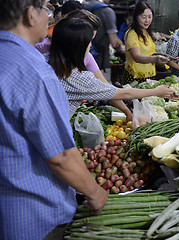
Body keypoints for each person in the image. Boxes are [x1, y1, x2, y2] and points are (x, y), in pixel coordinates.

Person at [0, 1, 108, 239]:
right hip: (33, 215)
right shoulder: (34, 72)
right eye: (46, 11)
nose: (49, 17)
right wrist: (94, 192)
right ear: (30, 14)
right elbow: (61, 157)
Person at [49, 17, 174, 118]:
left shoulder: (45, 62)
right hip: (55, 131)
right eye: (88, 41)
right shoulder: (79, 78)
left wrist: (127, 111)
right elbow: (120, 93)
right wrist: (156, 92)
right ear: (78, 46)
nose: (90, 44)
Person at [123, 1, 170, 84]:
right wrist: (156, 59)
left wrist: (158, 55)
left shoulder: (147, 32)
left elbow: (148, 52)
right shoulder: (132, 34)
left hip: (149, 75)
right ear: (136, 17)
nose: (147, 20)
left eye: (150, 17)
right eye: (144, 17)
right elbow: (136, 57)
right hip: (135, 77)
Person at [83, 0, 125, 82]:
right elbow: (115, 43)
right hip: (100, 62)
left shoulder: (82, 8)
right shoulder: (106, 11)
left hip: (81, 60)